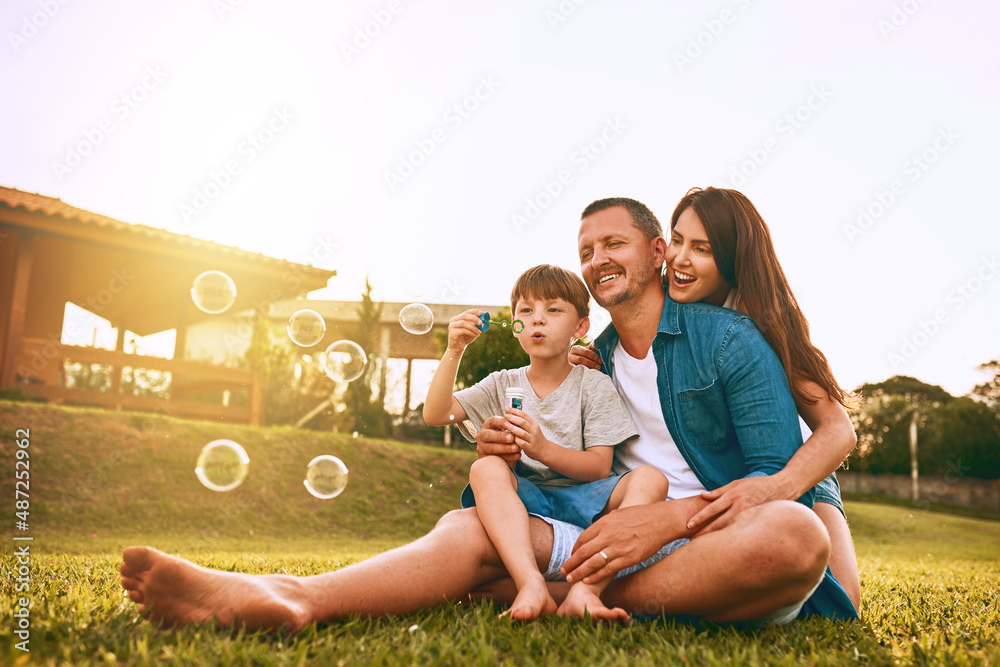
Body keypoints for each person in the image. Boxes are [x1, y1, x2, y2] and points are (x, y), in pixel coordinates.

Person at [119, 197, 844, 632]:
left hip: (707, 542)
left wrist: (671, 520)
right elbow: (577, 463)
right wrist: (516, 445)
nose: (596, 259)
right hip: (601, 532)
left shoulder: (730, 339)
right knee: (473, 521)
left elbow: (782, 476)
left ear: (657, 253)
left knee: (792, 534)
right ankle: (292, 598)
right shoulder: (589, 357)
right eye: (586, 250)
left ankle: (534, 586)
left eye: (613, 244)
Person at [477, 196, 858, 621]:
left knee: (833, 593)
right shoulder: (616, 344)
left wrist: (775, 486)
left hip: (801, 463)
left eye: (703, 249)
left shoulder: (759, 319)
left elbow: (838, 431)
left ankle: (566, 594)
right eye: (678, 240)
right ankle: (582, 595)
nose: (680, 258)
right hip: (705, 488)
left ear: (733, 261)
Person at [423, 264, 669, 622]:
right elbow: (437, 413)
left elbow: (599, 466)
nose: (538, 320)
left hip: (588, 500)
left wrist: (542, 449)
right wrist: (455, 350)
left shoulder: (593, 384)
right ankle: (530, 584)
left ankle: (587, 591)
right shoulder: (501, 383)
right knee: (485, 467)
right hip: (526, 498)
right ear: (515, 324)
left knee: (651, 479)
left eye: (553, 310)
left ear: (580, 328)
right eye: (526, 311)